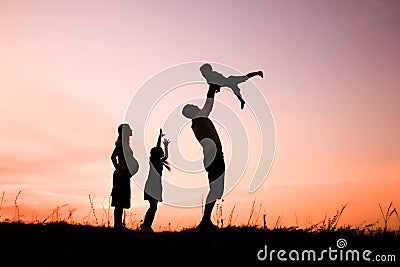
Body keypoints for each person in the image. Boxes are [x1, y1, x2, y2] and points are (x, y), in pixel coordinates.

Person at [182, 83, 224, 230]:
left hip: (213, 155)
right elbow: (208, 105)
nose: (197, 107)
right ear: (192, 112)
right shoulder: (199, 119)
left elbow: (207, 107)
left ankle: (206, 220)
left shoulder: (198, 121)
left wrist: (212, 89)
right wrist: (211, 89)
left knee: (215, 189)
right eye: (194, 107)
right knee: (215, 189)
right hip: (213, 155)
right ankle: (205, 221)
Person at [140, 129, 171, 232]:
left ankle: (146, 225)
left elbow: (165, 156)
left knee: (153, 207)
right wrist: (159, 138)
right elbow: (158, 149)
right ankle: (146, 225)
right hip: (153, 186)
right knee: (153, 207)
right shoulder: (153, 160)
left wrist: (165, 146)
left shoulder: (157, 160)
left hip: (154, 185)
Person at [110, 123, 139, 229]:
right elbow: (113, 157)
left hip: (124, 175)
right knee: (119, 201)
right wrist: (118, 168)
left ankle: (118, 224)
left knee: (121, 201)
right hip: (121, 176)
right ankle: (117, 224)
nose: (131, 131)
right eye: (129, 130)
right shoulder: (121, 144)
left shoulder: (124, 144)